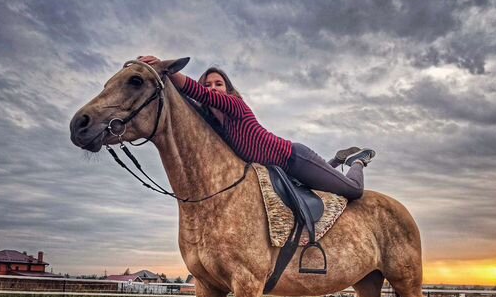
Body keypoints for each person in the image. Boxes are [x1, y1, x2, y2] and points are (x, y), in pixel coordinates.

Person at [139, 55, 375, 200]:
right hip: (278, 172)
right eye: (208, 84)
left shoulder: (235, 105)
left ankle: (357, 161)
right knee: (315, 184)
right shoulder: (213, 125)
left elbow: (194, 91)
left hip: (294, 158)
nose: (212, 88)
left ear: (227, 90)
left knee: (353, 191)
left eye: (218, 84)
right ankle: (334, 160)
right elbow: (185, 102)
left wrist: (163, 66)